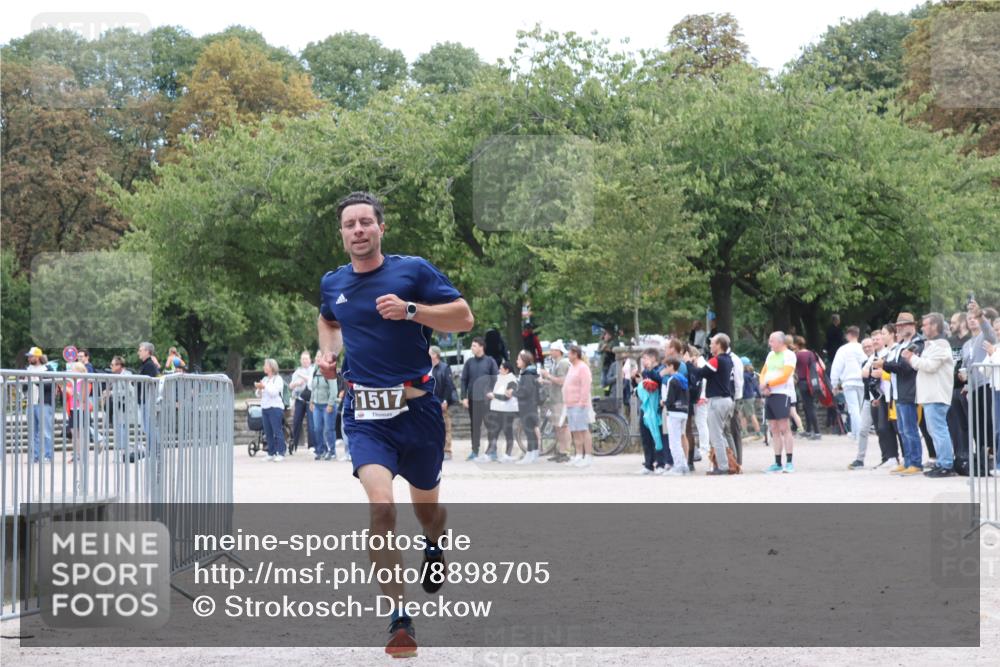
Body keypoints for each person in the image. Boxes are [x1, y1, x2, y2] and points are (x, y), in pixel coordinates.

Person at [315, 191, 473, 658]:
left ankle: (434, 544)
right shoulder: (333, 283)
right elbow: (327, 320)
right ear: (342, 233)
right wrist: (329, 353)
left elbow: (464, 318)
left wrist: (410, 310)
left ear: (381, 228)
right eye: (350, 224)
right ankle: (399, 619)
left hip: (418, 410)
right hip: (365, 416)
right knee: (382, 509)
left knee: (427, 511)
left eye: (366, 222)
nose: (358, 230)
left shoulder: (413, 271)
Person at [905, 313, 957, 477]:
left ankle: (946, 464)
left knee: (939, 430)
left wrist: (911, 358)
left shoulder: (941, 345)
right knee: (934, 430)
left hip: (937, 394)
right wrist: (914, 359)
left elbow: (930, 366)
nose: (922, 327)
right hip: (930, 395)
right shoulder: (932, 345)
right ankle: (941, 462)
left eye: (925, 324)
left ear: (934, 326)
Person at [875, 312, 926, 475]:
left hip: (909, 390)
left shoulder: (917, 343)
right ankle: (908, 460)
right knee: (903, 430)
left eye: (904, 325)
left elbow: (905, 367)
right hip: (899, 392)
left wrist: (885, 365)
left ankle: (916, 462)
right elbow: (899, 365)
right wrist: (888, 365)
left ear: (913, 325)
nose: (901, 328)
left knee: (910, 429)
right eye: (899, 326)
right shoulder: (902, 345)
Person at [691, 334, 736, 475]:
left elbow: (700, 373)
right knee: (720, 435)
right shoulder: (729, 359)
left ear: (719, 345)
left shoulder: (716, 360)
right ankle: (731, 463)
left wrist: (688, 363)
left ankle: (723, 467)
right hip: (727, 400)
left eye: (712, 343)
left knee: (716, 436)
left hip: (717, 401)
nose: (710, 346)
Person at [759, 331, 798, 473]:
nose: (770, 344)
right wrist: (763, 385)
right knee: (773, 428)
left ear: (781, 342)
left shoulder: (789, 355)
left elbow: (786, 375)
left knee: (784, 427)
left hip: (782, 393)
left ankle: (789, 461)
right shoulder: (770, 355)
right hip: (770, 394)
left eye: (772, 341)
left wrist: (768, 384)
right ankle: (777, 462)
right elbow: (763, 372)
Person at [461, 336, 498, 460]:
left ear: (481, 347)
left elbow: (496, 379)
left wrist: (493, 392)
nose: (472, 348)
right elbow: (463, 380)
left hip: (487, 400)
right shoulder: (469, 363)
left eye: (474, 346)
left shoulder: (490, 361)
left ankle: (492, 451)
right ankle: (474, 451)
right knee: (474, 426)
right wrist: (464, 397)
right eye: (472, 346)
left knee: (490, 425)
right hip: (473, 399)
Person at [831, 326, 868, 447]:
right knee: (861, 409)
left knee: (853, 409)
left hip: (849, 381)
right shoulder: (862, 348)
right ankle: (861, 433)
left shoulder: (843, 349)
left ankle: (856, 434)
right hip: (862, 381)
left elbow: (837, 366)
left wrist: (834, 383)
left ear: (848, 335)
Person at [634, 348, 667, 474]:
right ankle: (648, 464)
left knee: (657, 436)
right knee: (646, 436)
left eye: (646, 358)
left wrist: (648, 374)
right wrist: (637, 382)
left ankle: (661, 463)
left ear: (654, 358)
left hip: (657, 408)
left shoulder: (660, 369)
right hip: (646, 408)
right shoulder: (646, 372)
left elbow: (658, 379)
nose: (644, 361)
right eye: (643, 359)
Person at [540, 340, 573, 463]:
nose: (550, 352)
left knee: (563, 426)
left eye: (552, 350)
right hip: (555, 399)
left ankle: (566, 452)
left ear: (558, 351)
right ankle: (561, 450)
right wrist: (546, 381)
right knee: (557, 426)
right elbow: (556, 381)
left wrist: (547, 376)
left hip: (561, 399)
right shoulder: (556, 363)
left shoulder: (563, 363)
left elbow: (562, 381)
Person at [563, 344, 594, 467]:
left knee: (583, 430)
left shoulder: (583, 367)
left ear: (575, 354)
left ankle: (588, 456)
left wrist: (582, 402)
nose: (568, 355)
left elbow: (585, 385)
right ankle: (578, 454)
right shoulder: (572, 367)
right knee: (575, 430)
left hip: (579, 403)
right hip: (570, 403)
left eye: (569, 353)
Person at [661, 358, 691, 475]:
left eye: (666, 366)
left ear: (672, 366)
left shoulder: (672, 380)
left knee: (674, 441)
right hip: (684, 411)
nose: (665, 369)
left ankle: (678, 466)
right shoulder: (683, 379)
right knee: (679, 438)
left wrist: (664, 402)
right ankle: (684, 465)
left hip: (673, 413)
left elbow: (670, 399)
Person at [25, 347, 56, 462]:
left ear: (37, 357)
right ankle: (35, 456)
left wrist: (37, 380)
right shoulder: (27, 369)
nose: (28, 358)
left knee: (46, 431)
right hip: (30, 402)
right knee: (32, 432)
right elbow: (24, 386)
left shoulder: (48, 369)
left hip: (44, 403)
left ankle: (48, 455)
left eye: (31, 356)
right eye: (28, 356)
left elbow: (51, 385)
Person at [485, 360, 519, 462]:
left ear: (506, 370)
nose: (499, 369)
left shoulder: (512, 380)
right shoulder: (500, 378)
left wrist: (494, 395)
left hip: (508, 410)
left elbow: (507, 397)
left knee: (507, 431)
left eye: (501, 368)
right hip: (498, 409)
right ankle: (489, 453)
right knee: (494, 431)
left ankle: (507, 454)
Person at [254, 359, 287, 462]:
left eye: (265, 365)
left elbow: (274, 393)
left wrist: (264, 386)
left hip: (275, 408)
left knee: (277, 431)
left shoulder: (278, 379)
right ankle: (271, 452)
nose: (264, 367)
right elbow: (258, 394)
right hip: (265, 408)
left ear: (272, 367)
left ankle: (281, 453)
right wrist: (259, 389)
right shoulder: (264, 379)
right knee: (267, 432)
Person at [429, 346, 458, 461]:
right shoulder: (426, 368)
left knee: (445, 427)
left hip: (441, 402)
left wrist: (445, 400)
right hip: (429, 402)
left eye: (429, 352)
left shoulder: (445, 367)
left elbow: (448, 385)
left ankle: (447, 451)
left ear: (435, 355)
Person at [513, 351, 542, 464]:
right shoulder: (529, 372)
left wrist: (514, 392)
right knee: (530, 431)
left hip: (528, 406)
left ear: (524, 361)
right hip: (530, 406)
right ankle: (533, 454)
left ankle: (530, 454)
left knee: (529, 431)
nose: (517, 361)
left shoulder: (527, 374)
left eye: (519, 359)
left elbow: (526, 391)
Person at [793, 336, 823, 440]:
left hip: (802, 383)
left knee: (809, 407)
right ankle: (810, 430)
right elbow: (820, 367)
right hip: (813, 383)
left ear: (796, 344)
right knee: (808, 407)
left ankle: (817, 432)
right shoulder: (811, 353)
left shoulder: (797, 355)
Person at [310, 356, 339, 461]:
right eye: (316, 357)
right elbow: (313, 389)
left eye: (320, 357)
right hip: (317, 405)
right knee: (317, 429)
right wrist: (311, 401)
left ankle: (332, 452)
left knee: (328, 429)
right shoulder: (315, 372)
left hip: (327, 405)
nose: (317, 359)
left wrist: (331, 404)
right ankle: (321, 450)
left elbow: (334, 390)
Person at [288, 351, 317, 454]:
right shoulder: (297, 371)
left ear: (310, 360)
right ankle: (294, 444)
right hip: (299, 399)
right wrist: (296, 383)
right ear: (300, 360)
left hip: (310, 400)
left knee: (311, 423)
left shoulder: (313, 369)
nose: (305, 361)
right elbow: (290, 386)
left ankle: (312, 446)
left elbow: (311, 380)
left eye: (306, 359)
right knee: (296, 422)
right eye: (303, 359)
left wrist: (303, 377)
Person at [136, 342, 160, 452]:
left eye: (140, 350)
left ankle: (153, 450)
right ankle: (153, 449)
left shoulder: (149, 365)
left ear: (147, 351)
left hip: (147, 399)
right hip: (144, 399)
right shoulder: (146, 364)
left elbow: (151, 383)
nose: (138, 353)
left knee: (149, 426)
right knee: (148, 426)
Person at [739, 357, 762, 439]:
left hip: (746, 397)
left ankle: (758, 432)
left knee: (751, 414)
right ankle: (744, 432)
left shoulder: (744, 375)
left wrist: (739, 395)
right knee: (742, 415)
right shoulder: (752, 374)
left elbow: (742, 387)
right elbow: (756, 386)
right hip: (750, 396)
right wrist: (759, 395)